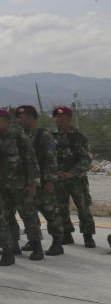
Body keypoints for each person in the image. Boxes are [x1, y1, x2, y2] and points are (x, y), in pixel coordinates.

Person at [0, 108, 43, 261]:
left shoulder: (19, 136)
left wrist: (32, 183)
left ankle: (37, 246)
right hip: (2, 186)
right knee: (6, 216)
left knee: (28, 215)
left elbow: (32, 161)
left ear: (7, 120)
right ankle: (13, 245)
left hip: (20, 185)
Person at [16, 105, 65, 256]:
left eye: (22, 117)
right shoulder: (22, 135)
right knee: (29, 213)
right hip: (30, 182)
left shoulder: (43, 135)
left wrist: (50, 180)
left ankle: (57, 242)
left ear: (31, 118)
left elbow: (51, 159)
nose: (20, 120)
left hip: (44, 181)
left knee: (51, 212)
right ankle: (34, 240)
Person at [52, 106, 96, 248]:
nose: (59, 120)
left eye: (62, 117)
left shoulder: (78, 137)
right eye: (57, 117)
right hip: (59, 179)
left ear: (69, 119)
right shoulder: (52, 137)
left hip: (76, 179)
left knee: (83, 207)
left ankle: (88, 236)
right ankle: (66, 234)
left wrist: (72, 173)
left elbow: (86, 158)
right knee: (61, 208)